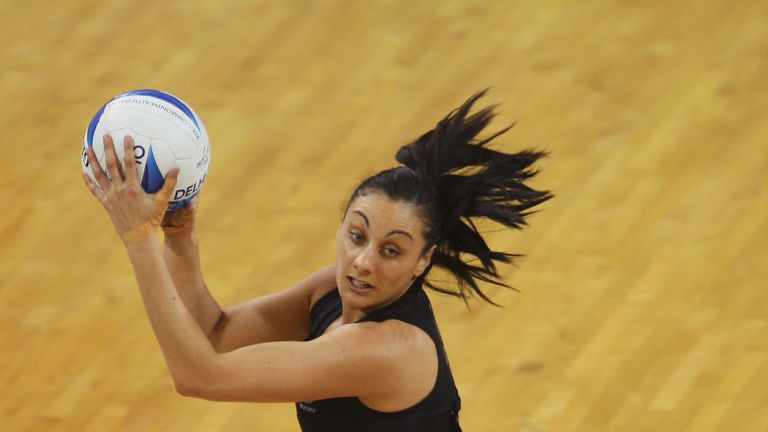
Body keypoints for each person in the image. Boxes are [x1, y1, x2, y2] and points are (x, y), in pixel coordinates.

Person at [82, 90, 552, 431]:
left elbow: (200, 376)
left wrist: (138, 238)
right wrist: (178, 238)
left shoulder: (387, 350)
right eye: (357, 236)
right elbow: (217, 338)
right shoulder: (331, 291)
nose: (362, 262)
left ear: (424, 260)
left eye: (391, 250)